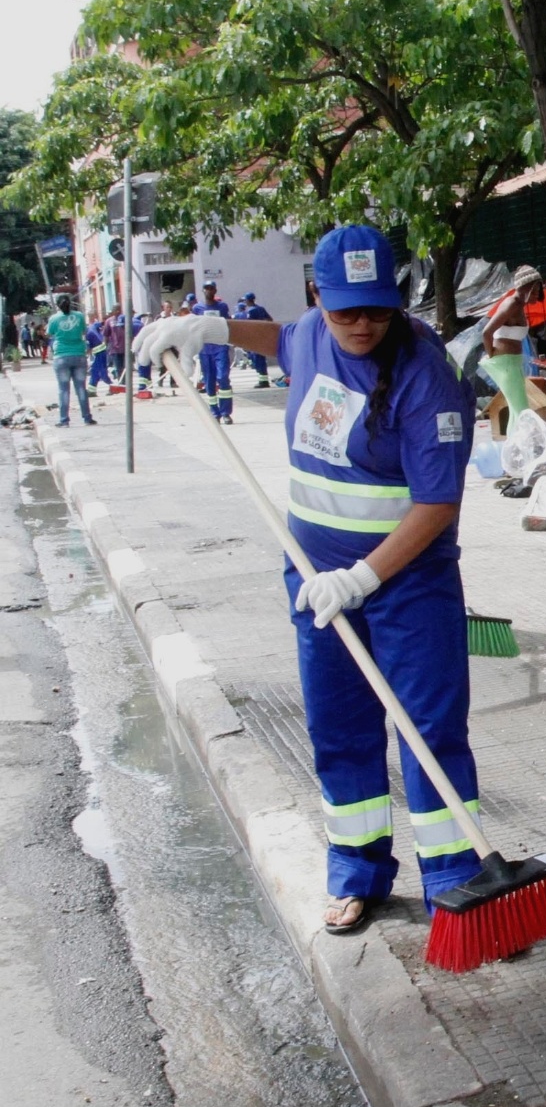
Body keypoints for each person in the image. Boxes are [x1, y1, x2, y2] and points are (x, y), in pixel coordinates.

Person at [135, 225, 483, 936]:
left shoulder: (427, 372)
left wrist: (361, 577)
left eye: (377, 309)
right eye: (345, 309)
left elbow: (439, 502)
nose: (361, 325)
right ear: (318, 296)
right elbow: (279, 338)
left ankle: (455, 879)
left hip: (407, 585)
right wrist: (208, 327)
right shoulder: (312, 335)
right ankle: (358, 870)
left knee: (427, 731)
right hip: (314, 579)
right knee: (339, 727)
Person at [479, 266, 542, 425]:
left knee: (518, 411)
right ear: (525, 288)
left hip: (512, 364)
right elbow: (486, 332)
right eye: (533, 292)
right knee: (521, 411)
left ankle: (516, 446)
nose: (536, 296)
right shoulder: (511, 304)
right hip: (506, 365)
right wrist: (493, 356)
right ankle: (519, 446)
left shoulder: (519, 305)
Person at [47, 296, 95, 426]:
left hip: (61, 356)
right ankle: (87, 418)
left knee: (63, 389)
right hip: (79, 354)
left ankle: (64, 420)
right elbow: (84, 331)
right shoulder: (79, 316)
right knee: (81, 387)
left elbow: (50, 333)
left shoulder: (53, 319)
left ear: (58, 306)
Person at [192, 284, 234, 423]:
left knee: (223, 377)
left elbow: (228, 323)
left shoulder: (222, 307)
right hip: (205, 349)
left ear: (215, 291)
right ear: (203, 291)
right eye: (206, 288)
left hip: (220, 347)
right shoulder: (197, 308)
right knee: (209, 381)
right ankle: (214, 411)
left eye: (211, 288)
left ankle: (226, 412)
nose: (208, 291)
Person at [238, 291, 275, 386]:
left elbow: (249, 325)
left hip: (255, 337)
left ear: (247, 300)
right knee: (261, 358)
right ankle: (264, 379)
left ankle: (263, 380)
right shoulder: (261, 309)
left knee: (256, 359)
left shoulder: (250, 311)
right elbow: (270, 319)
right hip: (262, 336)